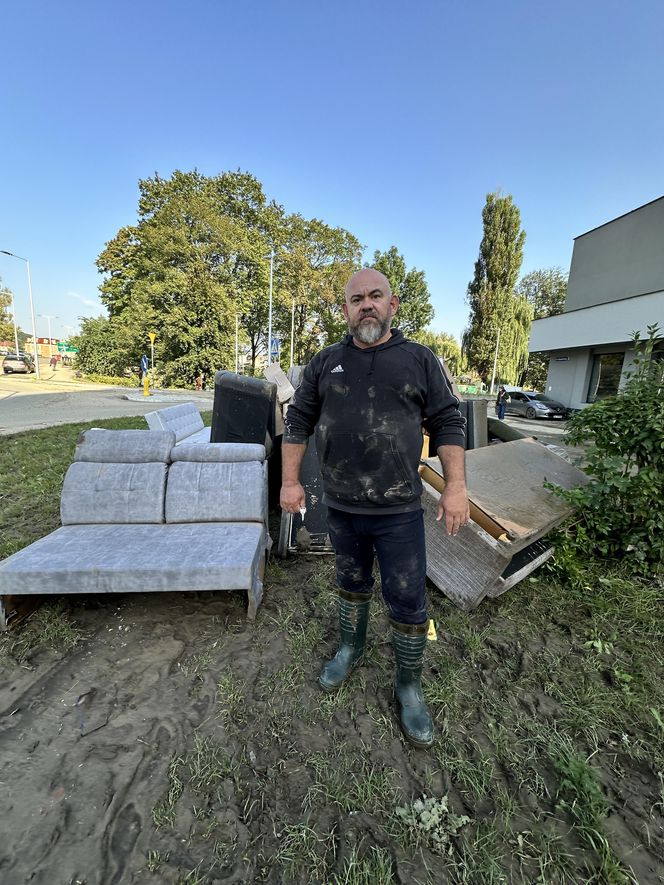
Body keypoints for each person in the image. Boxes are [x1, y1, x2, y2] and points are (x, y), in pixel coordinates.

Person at [281, 268, 468, 748]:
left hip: (399, 510)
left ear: (394, 304)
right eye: (356, 298)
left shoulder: (418, 360)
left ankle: (408, 684)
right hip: (341, 507)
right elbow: (298, 419)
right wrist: (289, 482)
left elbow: (447, 421)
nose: (366, 305)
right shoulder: (325, 363)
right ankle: (350, 646)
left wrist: (455, 488)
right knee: (350, 583)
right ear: (344, 309)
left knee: (407, 599)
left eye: (375, 296)